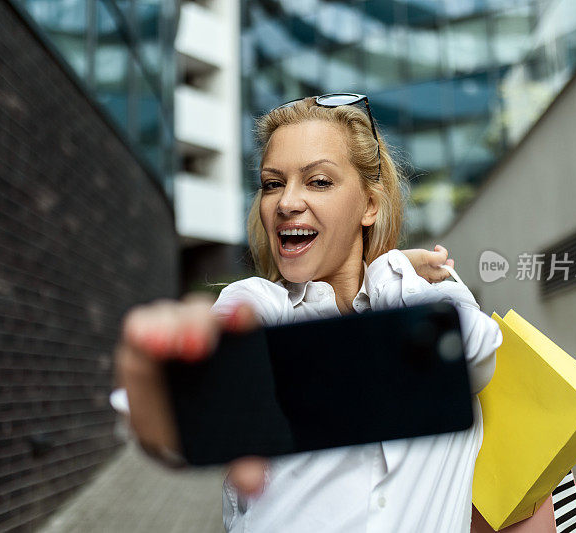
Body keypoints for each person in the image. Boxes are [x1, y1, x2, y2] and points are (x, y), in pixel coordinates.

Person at [113, 94, 502, 532]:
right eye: (272, 183)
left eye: (318, 182)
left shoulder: (427, 300)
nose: (285, 203)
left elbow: (475, 349)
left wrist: (388, 269)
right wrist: (172, 378)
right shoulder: (259, 306)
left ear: (370, 206)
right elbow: (202, 390)